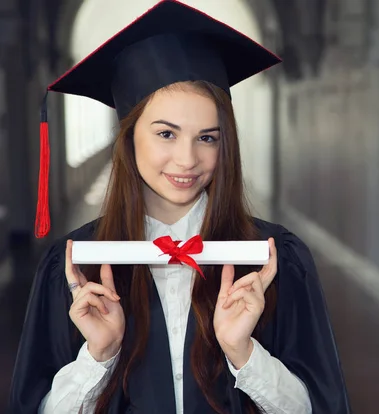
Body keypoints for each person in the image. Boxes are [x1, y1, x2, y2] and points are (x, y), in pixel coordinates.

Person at [8, 1, 351, 413]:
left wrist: (244, 353)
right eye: (166, 134)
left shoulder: (274, 259)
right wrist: (97, 356)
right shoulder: (75, 267)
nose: (187, 160)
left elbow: (320, 407)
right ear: (129, 136)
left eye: (207, 137)